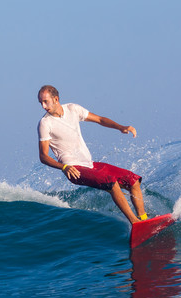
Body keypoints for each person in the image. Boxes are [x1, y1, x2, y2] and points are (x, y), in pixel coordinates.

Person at [37, 85, 148, 224]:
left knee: (133, 180)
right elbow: (43, 156)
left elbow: (100, 120)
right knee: (111, 182)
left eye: (45, 101)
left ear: (56, 99)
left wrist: (121, 127)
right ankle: (135, 222)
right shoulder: (45, 123)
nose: (43, 106)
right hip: (74, 169)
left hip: (90, 164)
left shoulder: (72, 109)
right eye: (40, 102)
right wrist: (64, 167)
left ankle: (144, 219)